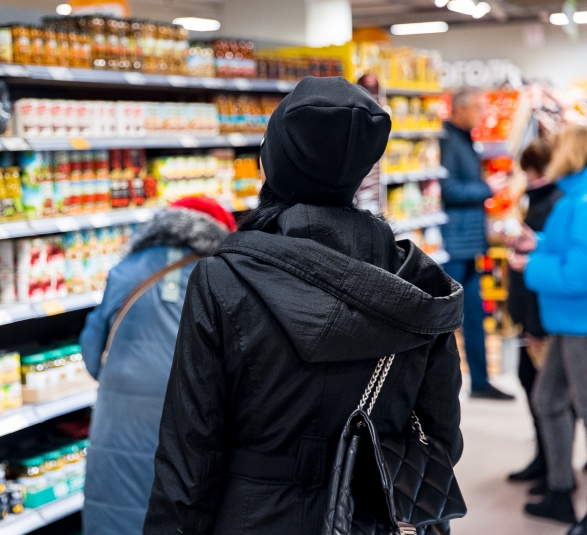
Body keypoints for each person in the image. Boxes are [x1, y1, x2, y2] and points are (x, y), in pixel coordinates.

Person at [143, 77, 465, 534]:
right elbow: (441, 438)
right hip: (369, 517)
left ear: (271, 161)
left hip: (252, 518)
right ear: (364, 168)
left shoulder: (224, 278)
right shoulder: (417, 282)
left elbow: (189, 457)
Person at [79, 196, 236, 535]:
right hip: (191, 423)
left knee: (114, 515)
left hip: (119, 421)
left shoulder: (126, 269)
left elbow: (92, 354)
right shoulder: (225, 275)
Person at [505, 125, 587, 531]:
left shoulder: (583, 201)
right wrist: (536, 244)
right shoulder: (572, 198)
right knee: (549, 398)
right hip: (565, 323)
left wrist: (529, 266)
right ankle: (559, 488)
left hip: (580, 324)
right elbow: (569, 252)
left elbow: (578, 275)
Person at [440, 89, 513, 400]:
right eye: (478, 108)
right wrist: (487, 187)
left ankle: (481, 381)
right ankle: (439, 390)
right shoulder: (446, 141)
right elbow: (448, 189)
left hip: (470, 242)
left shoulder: (466, 139)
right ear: (460, 109)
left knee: (475, 314)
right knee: (444, 319)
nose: (483, 114)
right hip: (452, 243)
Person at [506, 139, 562, 485]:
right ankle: (548, 461)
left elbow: (569, 267)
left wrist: (528, 260)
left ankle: (554, 471)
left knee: (546, 396)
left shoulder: (559, 203)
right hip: (541, 315)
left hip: (544, 317)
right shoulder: (552, 200)